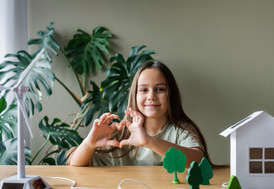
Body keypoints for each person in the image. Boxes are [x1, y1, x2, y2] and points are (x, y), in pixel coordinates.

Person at [68, 61, 211, 167]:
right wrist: (89, 143)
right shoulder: (119, 134)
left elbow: (199, 160)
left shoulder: (181, 131)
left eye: (160, 89)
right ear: (134, 95)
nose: (151, 96)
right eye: (143, 90)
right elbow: (74, 164)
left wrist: (150, 141)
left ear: (171, 94)